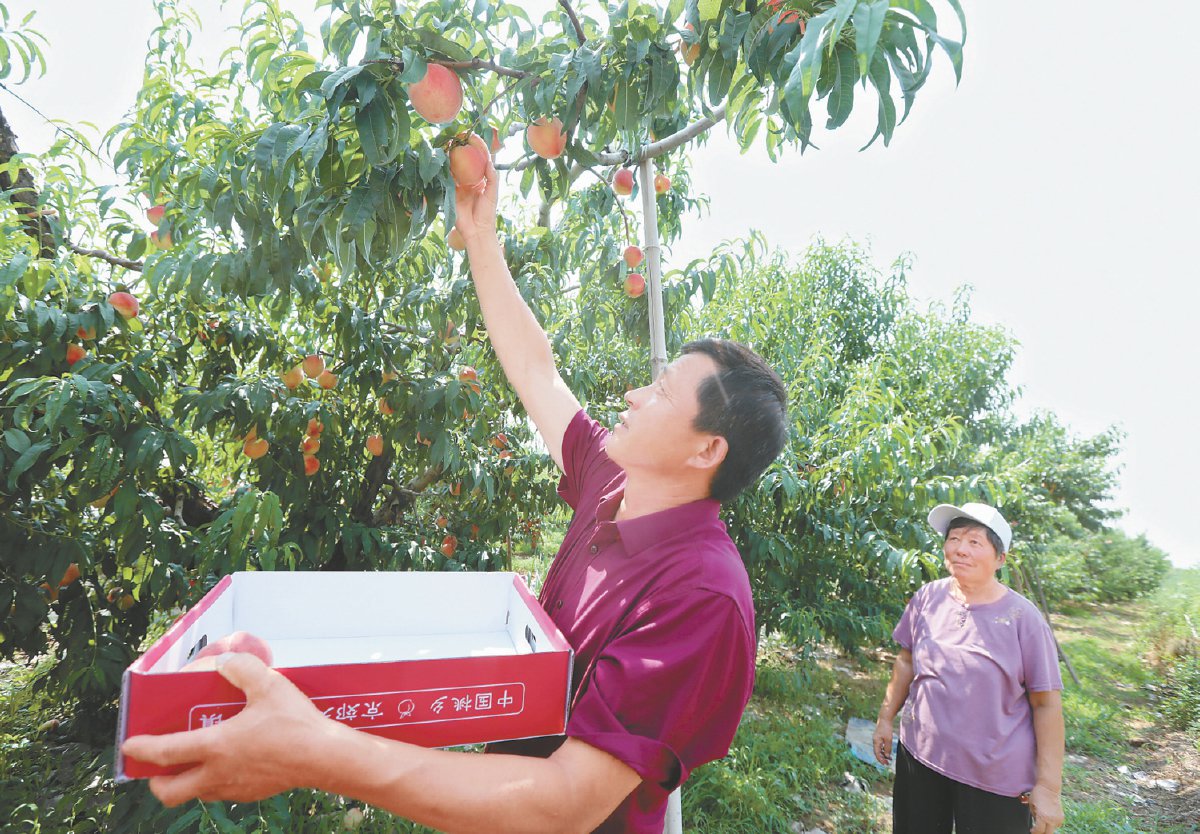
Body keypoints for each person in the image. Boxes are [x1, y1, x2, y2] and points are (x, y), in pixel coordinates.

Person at [122, 151, 789, 832]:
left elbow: (565, 803)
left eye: (662, 392)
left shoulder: (702, 594)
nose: (633, 394)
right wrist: (480, 238)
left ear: (707, 449)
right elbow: (537, 370)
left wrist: (316, 752)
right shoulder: (612, 482)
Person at [872, 502, 1066, 834]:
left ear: (1000, 558)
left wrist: (1048, 788)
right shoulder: (927, 598)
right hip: (920, 757)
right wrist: (885, 718)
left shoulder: (1024, 620)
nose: (961, 549)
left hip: (993, 778)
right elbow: (906, 660)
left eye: (975, 541)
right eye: (954, 538)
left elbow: (1046, 705)